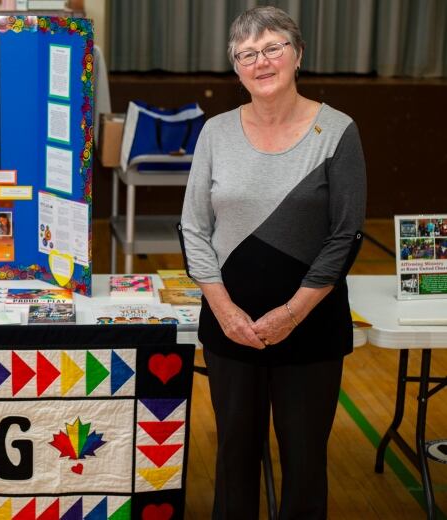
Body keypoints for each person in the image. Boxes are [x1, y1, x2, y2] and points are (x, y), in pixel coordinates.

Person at [180, 7, 366, 519]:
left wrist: (292, 313)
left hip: (311, 328)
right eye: (247, 54)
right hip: (229, 329)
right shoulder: (215, 132)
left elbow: (344, 235)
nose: (260, 61)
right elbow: (194, 229)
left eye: (272, 48)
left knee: (305, 463)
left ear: (297, 55)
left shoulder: (337, 131)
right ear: (236, 68)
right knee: (233, 457)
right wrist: (224, 310)